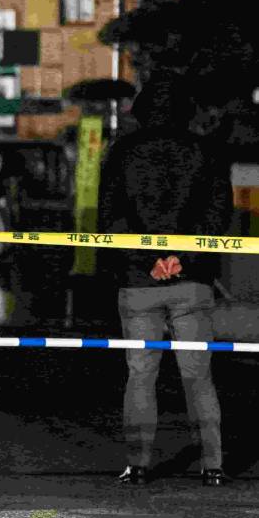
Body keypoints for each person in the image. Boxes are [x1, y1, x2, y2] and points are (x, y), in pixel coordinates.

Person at [97, 76, 232, 487]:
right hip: (192, 282)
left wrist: (148, 261)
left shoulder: (122, 153)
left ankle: (137, 464)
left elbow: (111, 217)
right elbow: (217, 215)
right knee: (198, 374)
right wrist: (181, 259)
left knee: (141, 374)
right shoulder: (206, 152)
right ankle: (212, 464)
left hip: (139, 281)